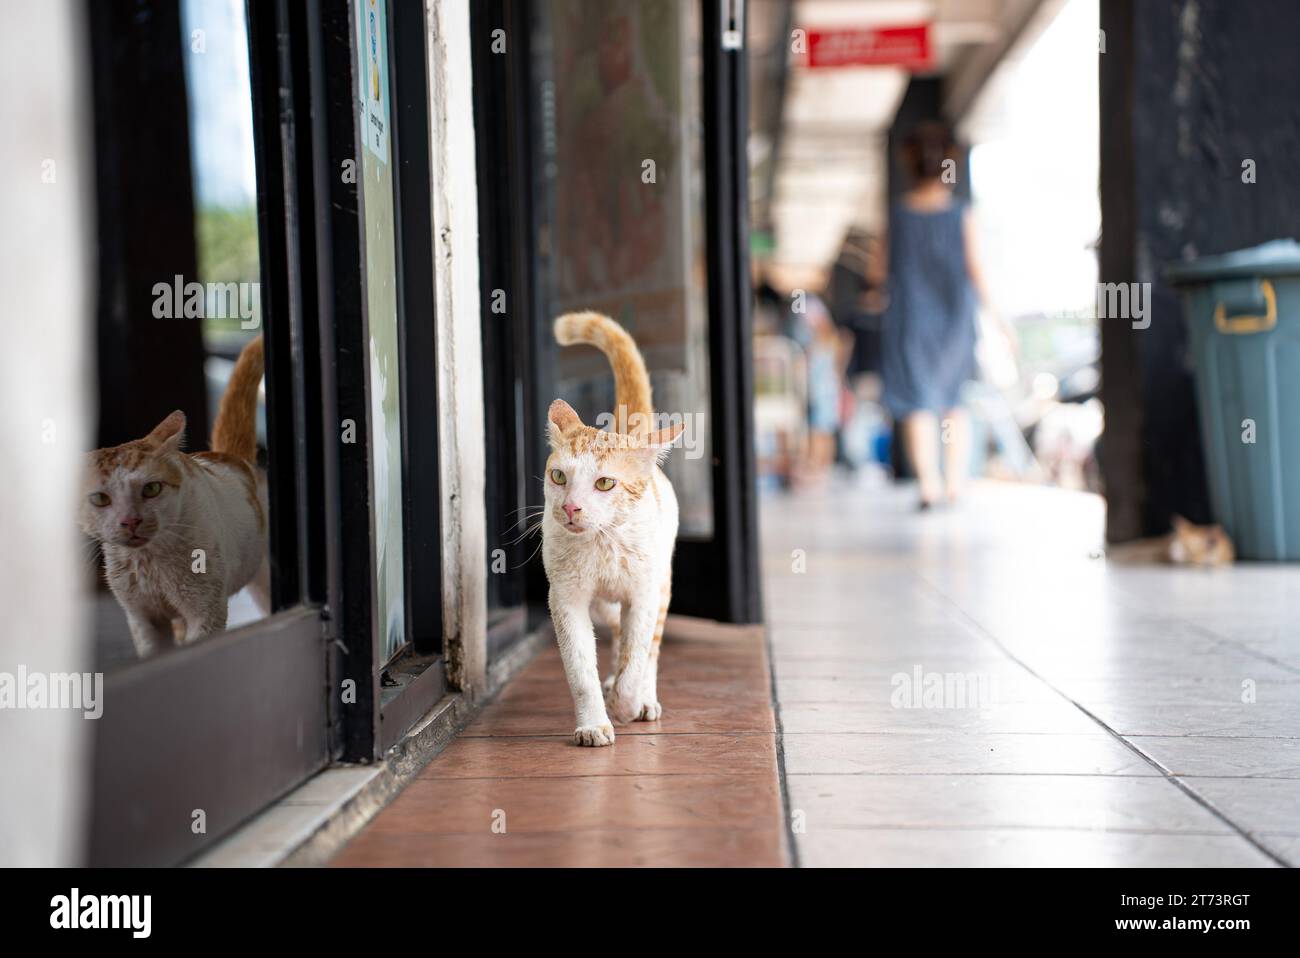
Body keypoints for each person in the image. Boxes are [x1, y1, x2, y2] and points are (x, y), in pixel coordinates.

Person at [874, 122, 1003, 509]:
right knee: (954, 402)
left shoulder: (896, 216)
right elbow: (976, 269)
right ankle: (953, 484)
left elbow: (878, 273)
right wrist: (999, 320)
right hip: (954, 322)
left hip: (911, 320)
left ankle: (928, 485)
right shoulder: (961, 213)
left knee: (919, 403)